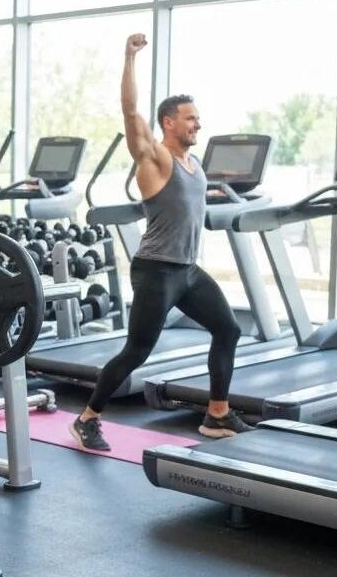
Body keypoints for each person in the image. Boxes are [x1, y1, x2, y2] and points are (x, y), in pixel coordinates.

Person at [69, 33, 252, 452]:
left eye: (198, 118)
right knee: (136, 351)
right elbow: (130, 110)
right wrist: (129, 57)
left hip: (187, 269)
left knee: (228, 329)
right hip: (156, 270)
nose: (198, 124)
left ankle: (216, 414)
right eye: (190, 118)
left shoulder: (194, 164)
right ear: (168, 122)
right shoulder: (154, 157)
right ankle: (87, 418)